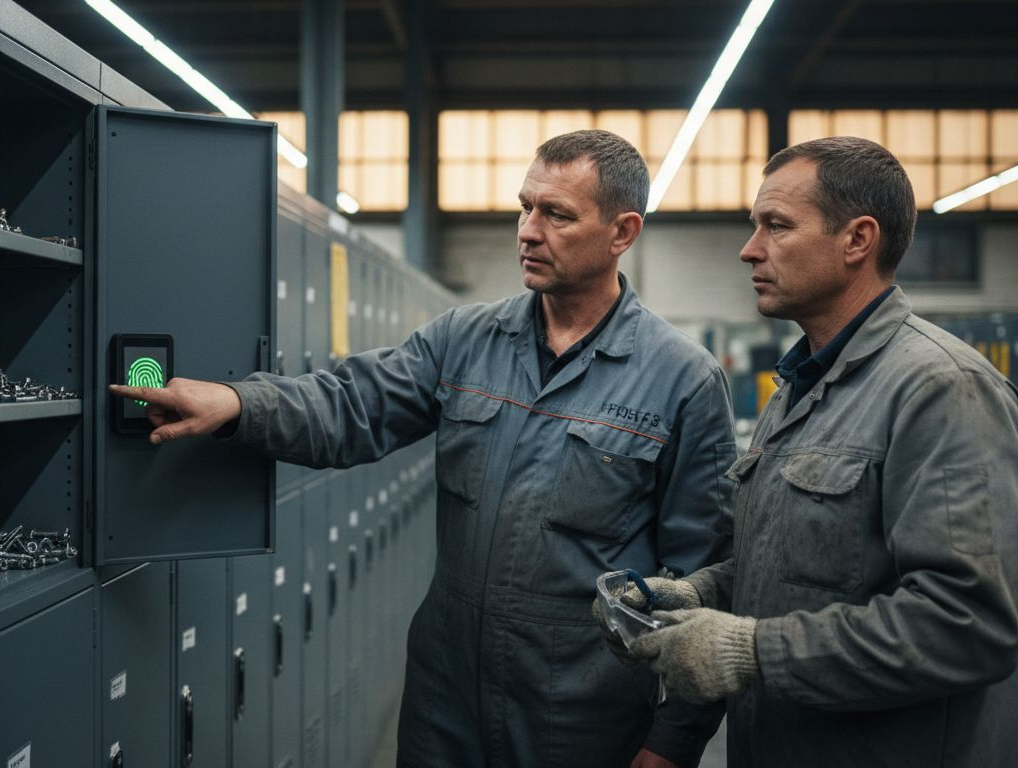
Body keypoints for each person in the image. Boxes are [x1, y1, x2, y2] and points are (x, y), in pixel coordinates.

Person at [111, 130, 737, 768]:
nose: (528, 229)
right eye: (525, 207)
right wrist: (238, 403)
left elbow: (705, 575)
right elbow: (350, 405)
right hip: (447, 695)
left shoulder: (680, 379)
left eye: (557, 215)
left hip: (581, 710)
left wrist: (672, 740)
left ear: (622, 232)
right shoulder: (466, 339)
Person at [607, 136, 1018, 767]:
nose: (749, 248)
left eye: (776, 226)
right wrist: (701, 595)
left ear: (857, 240)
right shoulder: (803, 389)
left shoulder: (943, 391)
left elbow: (969, 625)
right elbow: (808, 562)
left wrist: (752, 650)